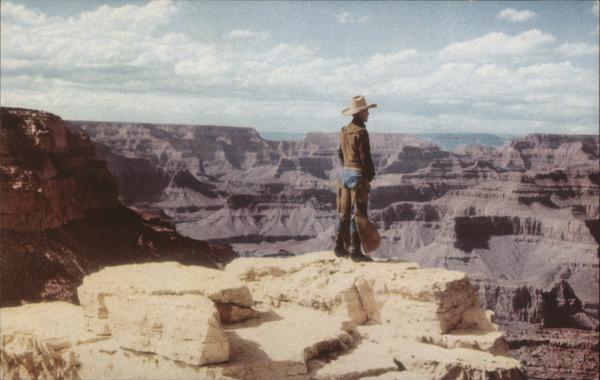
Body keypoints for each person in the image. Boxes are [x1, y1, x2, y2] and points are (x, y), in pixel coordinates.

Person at [334, 95, 376, 262]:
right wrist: (369, 176)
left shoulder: (344, 130)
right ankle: (355, 251)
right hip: (358, 176)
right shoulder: (361, 132)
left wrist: (347, 167)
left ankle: (338, 246)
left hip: (344, 174)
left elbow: (340, 153)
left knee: (343, 213)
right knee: (358, 214)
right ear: (359, 113)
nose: (368, 114)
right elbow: (365, 158)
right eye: (366, 111)